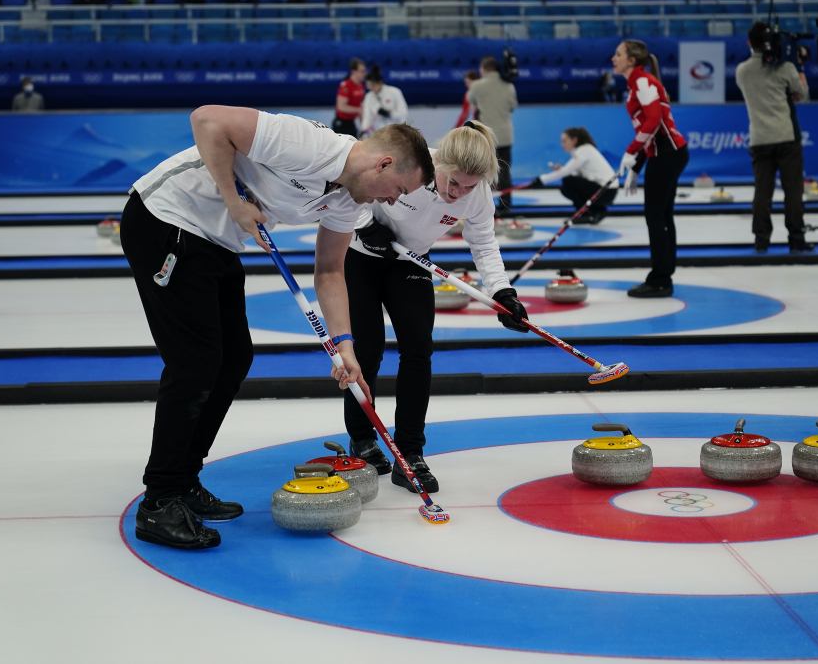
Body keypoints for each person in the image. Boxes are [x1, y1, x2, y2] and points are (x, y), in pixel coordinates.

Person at [120, 107, 434, 550]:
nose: (391, 202)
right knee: (196, 362)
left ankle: (184, 480)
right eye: (398, 190)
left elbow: (328, 271)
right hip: (166, 218)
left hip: (216, 238)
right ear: (383, 164)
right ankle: (159, 499)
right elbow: (208, 120)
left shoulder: (348, 199)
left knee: (233, 359)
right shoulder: (310, 144)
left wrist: (344, 346)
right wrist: (233, 200)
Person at [342, 121, 528, 493]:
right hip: (362, 257)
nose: (458, 193)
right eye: (453, 183)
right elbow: (350, 187)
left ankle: (410, 453)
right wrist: (364, 224)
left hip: (411, 263)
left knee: (418, 350)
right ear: (439, 164)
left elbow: (484, 244)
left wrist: (503, 292)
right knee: (367, 350)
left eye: (469, 186)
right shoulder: (413, 163)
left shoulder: (477, 195)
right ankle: (362, 439)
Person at [612, 39, 689, 298]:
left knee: (655, 215)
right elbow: (649, 128)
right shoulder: (638, 84)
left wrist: (632, 151)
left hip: (668, 155)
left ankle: (660, 280)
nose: (614, 58)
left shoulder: (643, 81)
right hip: (665, 154)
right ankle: (663, 276)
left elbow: (655, 120)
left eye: (619, 54)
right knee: (662, 216)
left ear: (632, 60)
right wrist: (637, 166)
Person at [736, 22, 815, 254]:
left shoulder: (742, 71)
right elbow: (803, 94)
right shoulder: (786, 67)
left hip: (760, 138)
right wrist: (799, 65)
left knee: (762, 192)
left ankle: (761, 241)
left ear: (750, 43)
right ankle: (796, 239)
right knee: (793, 191)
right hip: (786, 136)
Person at [527, 126, 617, 224]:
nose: (562, 145)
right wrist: (561, 170)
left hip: (605, 191)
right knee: (566, 188)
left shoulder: (583, 151)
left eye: (564, 141)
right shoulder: (584, 150)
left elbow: (567, 172)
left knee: (568, 180)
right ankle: (598, 210)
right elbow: (573, 172)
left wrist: (542, 179)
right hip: (605, 191)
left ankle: (583, 214)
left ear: (574, 140)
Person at [467, 56, 518, 216]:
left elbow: (470, 100)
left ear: (483, 69)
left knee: (482, 171)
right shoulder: (509, 85)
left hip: (486, 136)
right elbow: (513, 106)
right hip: (504, 135)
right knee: (504, 172)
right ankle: (507, 205)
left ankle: (482, 206)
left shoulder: (477, 85)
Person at [359, 64, 408, 137]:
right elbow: (367, 116)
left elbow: (404, 112)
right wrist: (363, 131)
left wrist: (389, 114)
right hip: (381, 134)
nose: (371, 88)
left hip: (398, 132)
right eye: (369, 86)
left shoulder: (395, 92)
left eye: (373, 85)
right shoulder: (369, 97)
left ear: (380, 82)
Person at [333, 58, 366, 138]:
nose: (364, 74)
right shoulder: (346, 85)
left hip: (351, 122)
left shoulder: (360, 86)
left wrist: (363, 125)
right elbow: (341, 107)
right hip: (341, 123)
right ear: (354, 72)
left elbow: (360, 106)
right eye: (362, 71)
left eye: (365, 71)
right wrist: (358, 109)